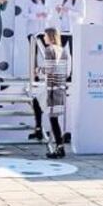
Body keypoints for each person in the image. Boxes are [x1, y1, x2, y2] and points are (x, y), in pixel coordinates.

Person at [30, 27, 67, 159]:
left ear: (50, 37)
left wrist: (38, 70)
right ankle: (39, 129)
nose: (44, 38)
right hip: (59, 87)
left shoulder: (49, 50)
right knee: (38, 103)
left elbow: (49, 70)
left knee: (53, 119)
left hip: (51, 88)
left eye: (45, 36)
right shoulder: (62, 50)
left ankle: (59, 147)